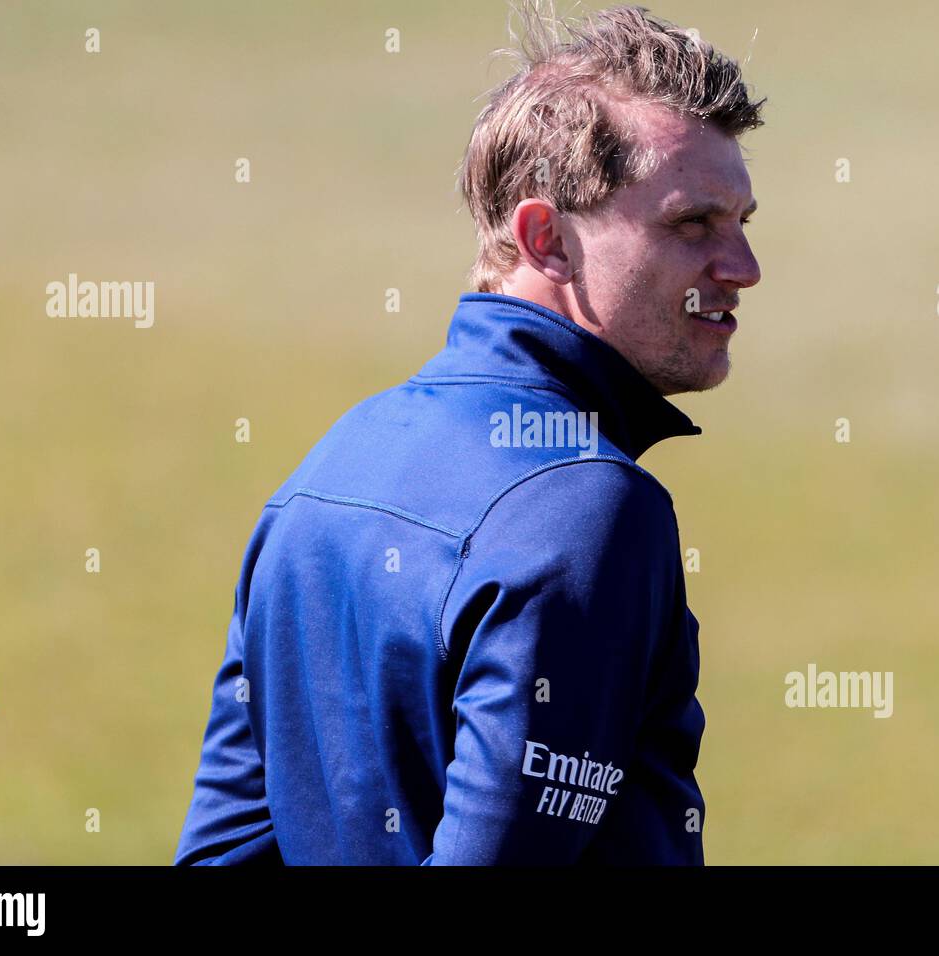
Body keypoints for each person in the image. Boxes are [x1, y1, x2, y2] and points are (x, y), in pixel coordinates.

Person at [174, 2, 764, 865]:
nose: (742, 269)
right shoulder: (586, 508)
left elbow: (225, 854)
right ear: (545, 239)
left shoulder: (330, 467)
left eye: (742, 224)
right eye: (691, 224)